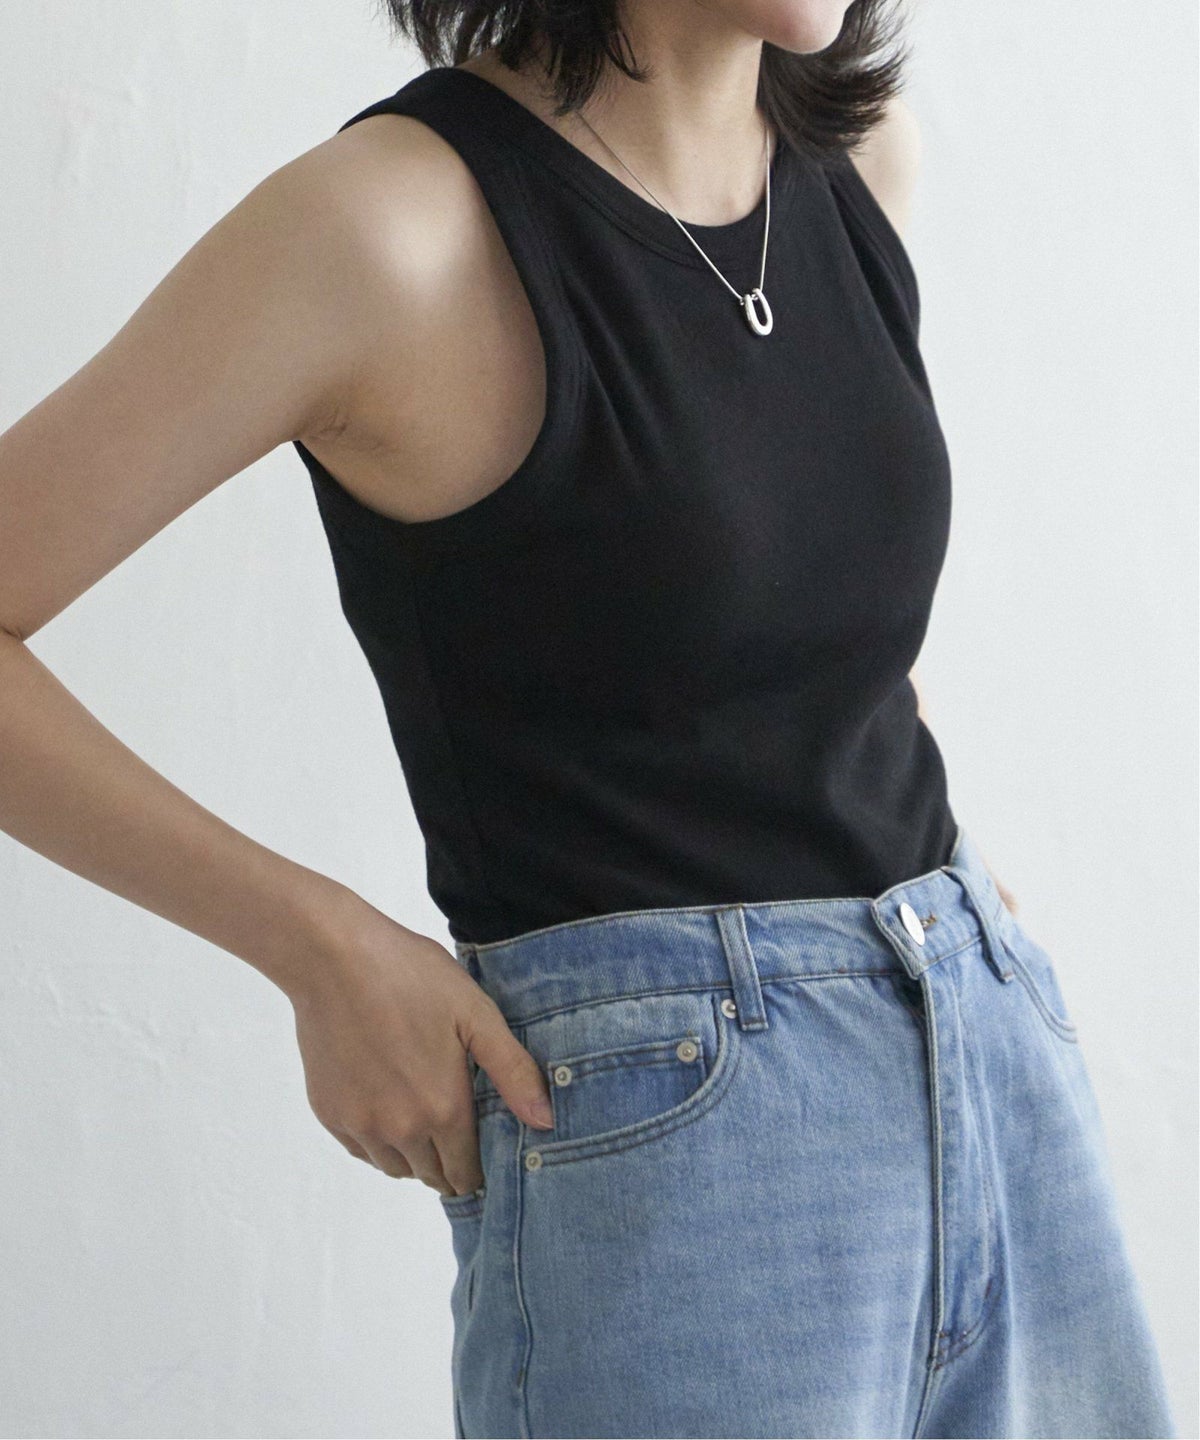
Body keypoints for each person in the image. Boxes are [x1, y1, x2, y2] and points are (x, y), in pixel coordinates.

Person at [0, 2, 1177, 1436]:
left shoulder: (860, 163)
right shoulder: (389, 230)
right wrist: (316, 947)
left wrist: (935, 910)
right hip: (687, 1158)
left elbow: (819, 630)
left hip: (987, 1067)